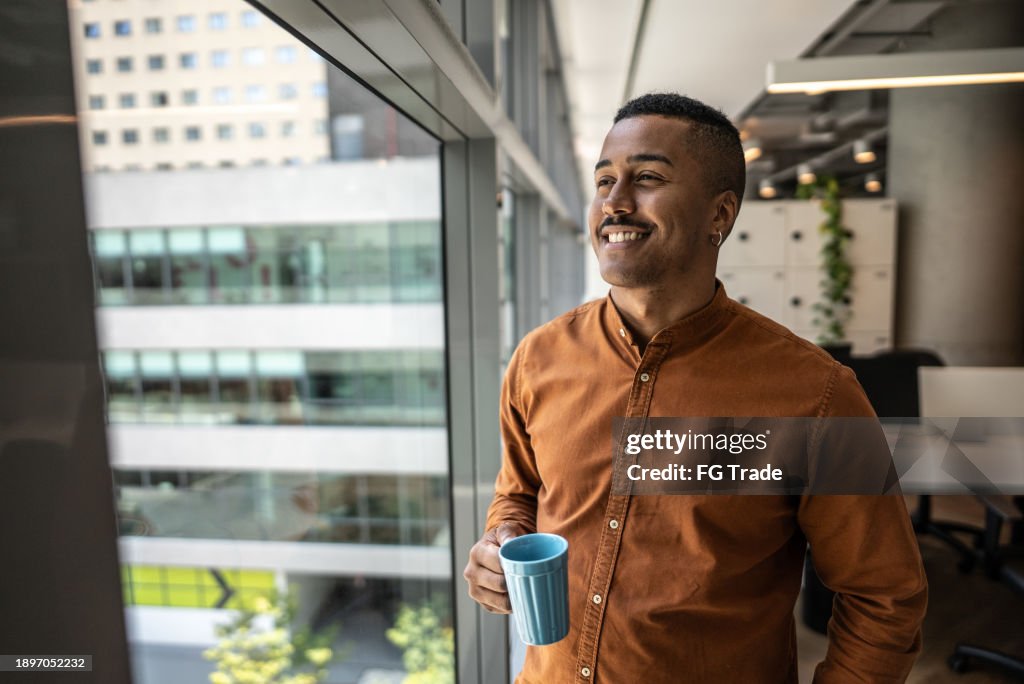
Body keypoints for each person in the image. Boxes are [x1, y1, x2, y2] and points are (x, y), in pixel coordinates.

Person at [463, 93, 927, 683]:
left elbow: (884, 595)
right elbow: (519, 493)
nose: (615, 202)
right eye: (604, 180)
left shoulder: (817, 395)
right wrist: (500, 541)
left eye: (647, 177)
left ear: (720, 215)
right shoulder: (538, 358)